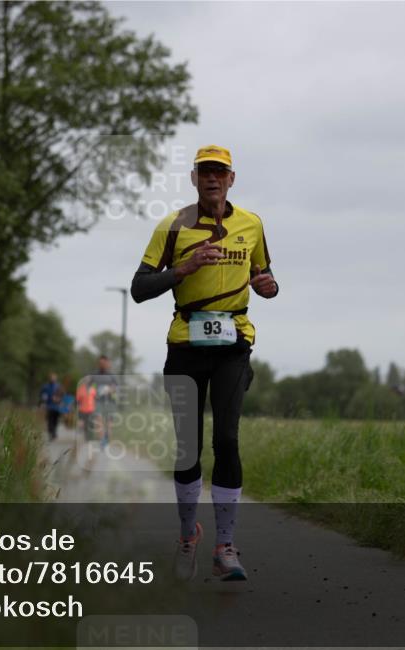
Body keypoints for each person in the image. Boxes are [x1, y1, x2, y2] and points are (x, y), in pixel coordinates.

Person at [130, 144, 278, 582]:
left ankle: (225, 546)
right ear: (194, 179)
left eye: (221, 172)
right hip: (185, 345)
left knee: (227, 441)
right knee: (187, 446)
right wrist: (184, 268)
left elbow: (263, 274)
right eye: (205, 172)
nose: (213, 179)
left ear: (232, 179)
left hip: (234, 343)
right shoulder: (172, 227)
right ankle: (187, 535)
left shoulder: (251, 224)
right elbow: (139, 288)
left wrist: (269, 287)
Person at [93, 355, 119, 448]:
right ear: (98, 364)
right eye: (100, 363)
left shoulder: (112, 376)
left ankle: (107, 438)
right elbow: (88, 386)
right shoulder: (94, 375)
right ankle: (102, 441)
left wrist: (110, 389)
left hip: (110, 402)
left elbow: (117, 388)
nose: (102, 365)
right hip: (98, 401)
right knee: (98, 420)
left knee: (109, 423)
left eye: (104, 363)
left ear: (107, 364)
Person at [38, 372, 64, 441]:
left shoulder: (58, 386)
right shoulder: (45, 387)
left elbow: (62, 395)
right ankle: (51, 432)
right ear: (49, 378)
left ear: (56, 378)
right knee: (50, 420)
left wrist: (59, 400)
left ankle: (54, 432)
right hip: (49, 406)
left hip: (57, 406)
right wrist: (42, 403)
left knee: (55, 420)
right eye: (52, 377)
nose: (53, 379)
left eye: (54, 377)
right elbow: (42, 395)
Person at [75, 377, 97, 442]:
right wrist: (77, 405)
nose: (88, 383)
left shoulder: (93, 389)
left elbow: (95, 398)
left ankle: (90, 437)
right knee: (83, 423)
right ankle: (86, 435)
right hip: (82, 409)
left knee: (91, 424)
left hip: (91, 409)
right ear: (84, 382)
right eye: (86, 381)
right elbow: (77, 399)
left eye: (89, 381)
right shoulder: (81, 389)